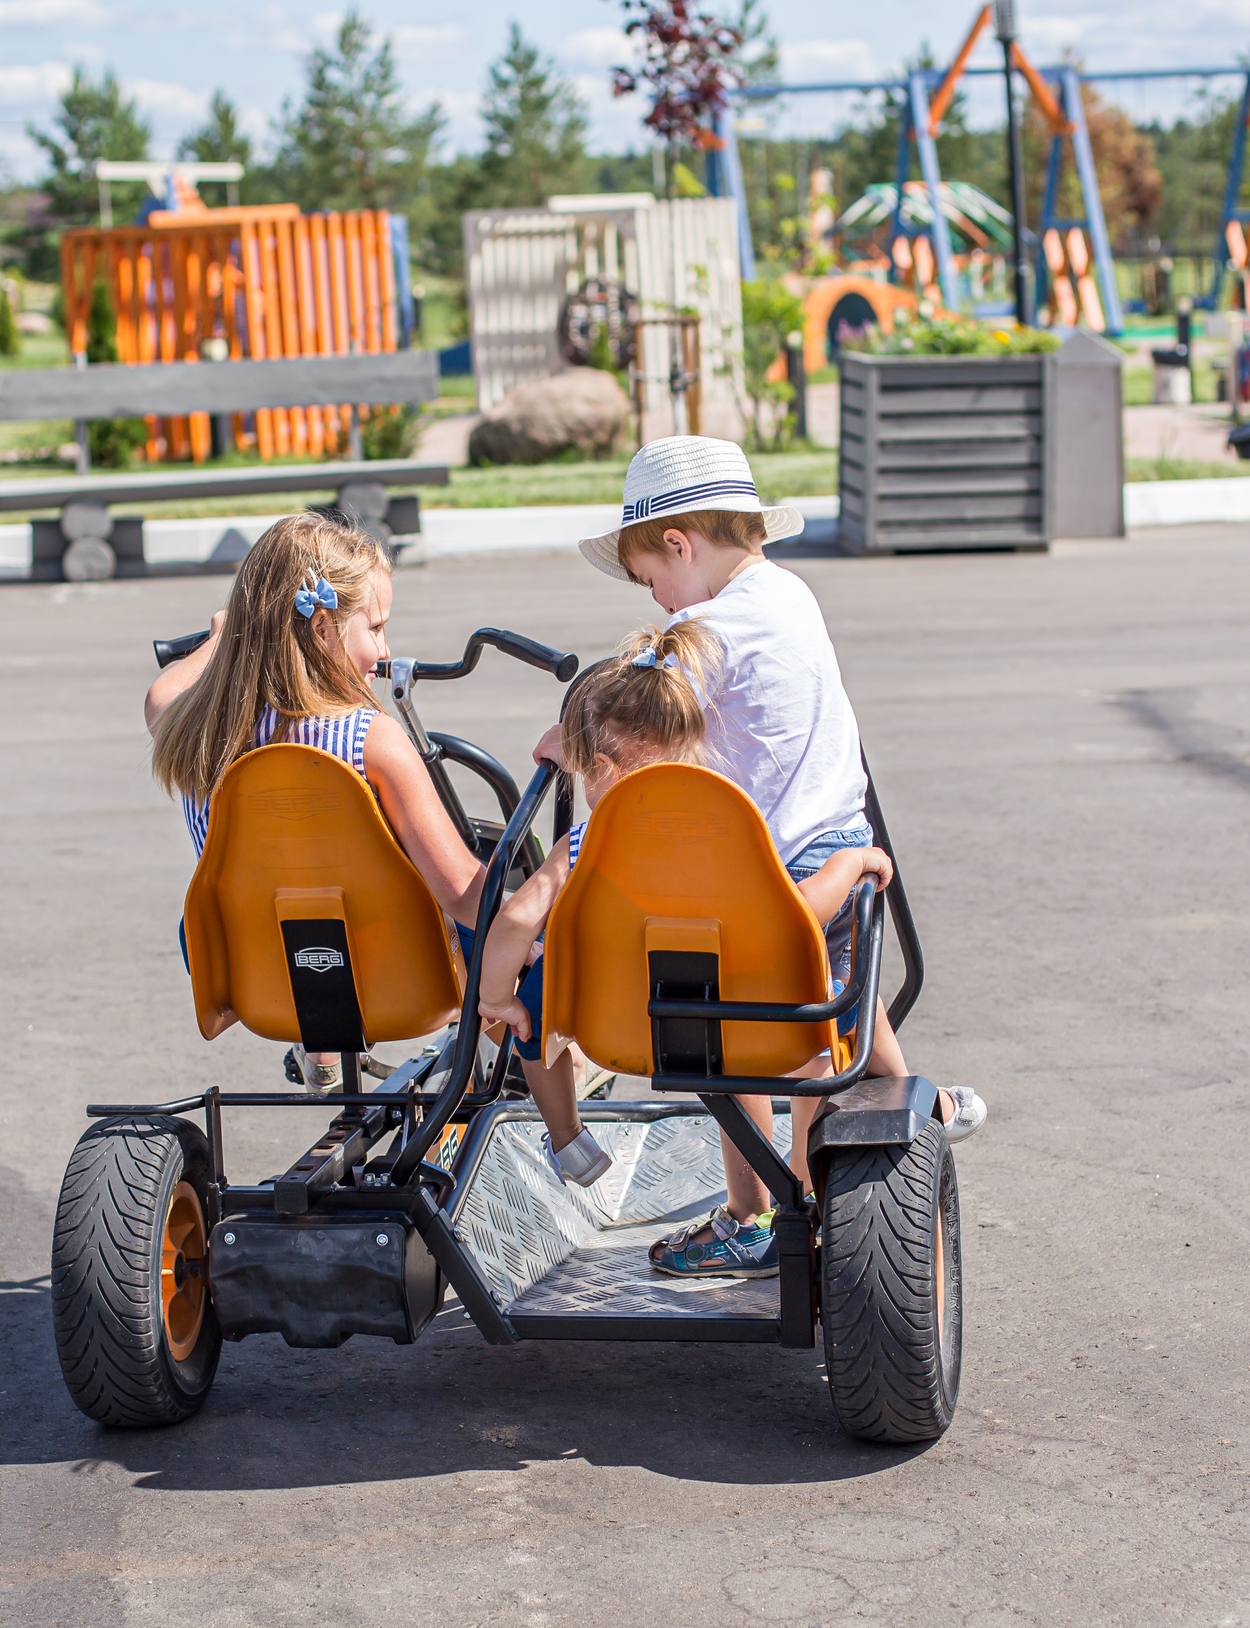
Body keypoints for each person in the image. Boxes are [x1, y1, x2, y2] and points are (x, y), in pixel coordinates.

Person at [558, 436, 988, 1279]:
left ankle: (760, 1214)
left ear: (678, 545)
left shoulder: (704, 631)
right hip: (841, 843)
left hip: (770, 877)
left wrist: (569, 736)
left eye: (650, 578)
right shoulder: (790, 593)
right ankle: (920, 1102)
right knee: (840, 1010)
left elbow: (637, 715)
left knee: (729, 1032)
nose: (657, 598)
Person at [477, 619, 899, 1237]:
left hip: (622, 1027)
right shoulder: (734, 842)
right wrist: (851, 863)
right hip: (746, 1022)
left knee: (532, 1012)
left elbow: (516, 918)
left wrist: (497, 1000)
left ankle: (570, 1139)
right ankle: (803, 1192)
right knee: (823, 1010)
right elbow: (804, 912)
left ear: (599, 769)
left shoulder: (583, 846)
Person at [146, 513, 488, 1089]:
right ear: (323, 628)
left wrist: (222, 639)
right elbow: (463, 894)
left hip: (259, 981)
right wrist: (541, 921)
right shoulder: (372, 741)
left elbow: (165, 689)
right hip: (398, 975)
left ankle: (319, 1044)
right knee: (492, 905)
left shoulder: (188, 731)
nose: (383, 650)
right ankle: (542, 1059)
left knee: (265, 900)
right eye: (376, 628)